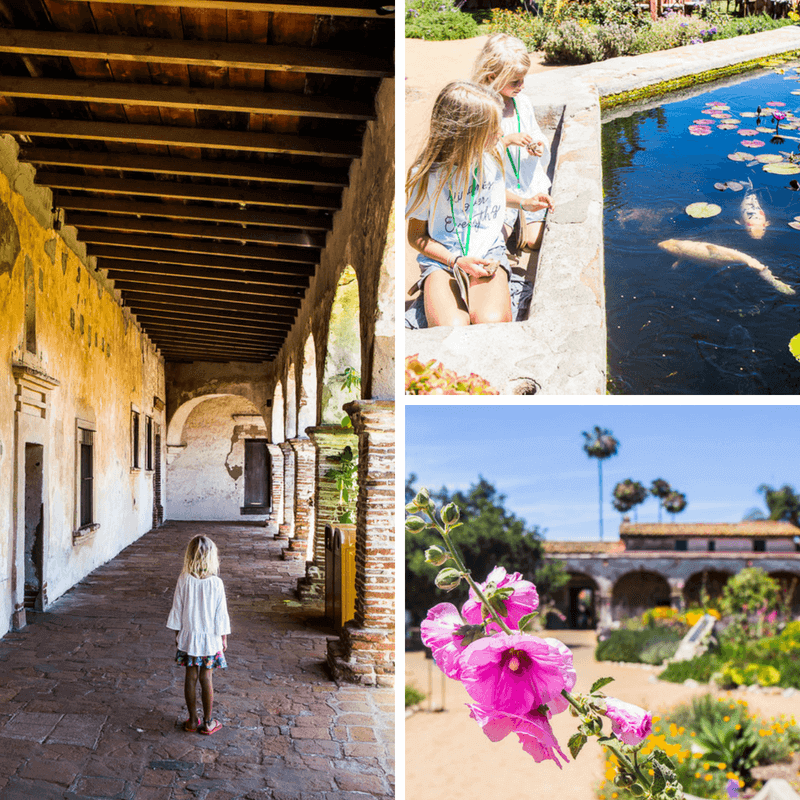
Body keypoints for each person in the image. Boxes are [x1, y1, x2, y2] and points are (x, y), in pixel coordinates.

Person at [406, 81, 546, 328]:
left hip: (488, 252)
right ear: (466, 133)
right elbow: (416, 236)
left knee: (491, 322)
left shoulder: (492, 154)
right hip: (445, 259)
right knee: (450, 328)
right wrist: (455, 261)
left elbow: (491, 193)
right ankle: (432, 295)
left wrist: (524, 203)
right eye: (493, 129)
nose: (501, 134)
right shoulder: (427, 175)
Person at [472, 33, 553, 253]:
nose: (522, 86)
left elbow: (536, 132)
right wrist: (506, 142)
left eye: (523, 79)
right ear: (491, 77)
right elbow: (476, 156)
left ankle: (524, 228)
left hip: (527, 183)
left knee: (535, 242)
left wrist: (538, 145)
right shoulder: (482, 110)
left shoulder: (522, 103)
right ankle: (512, 226)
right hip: (500, 189)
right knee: (492, 242)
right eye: (515, 82)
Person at [167, 535, 230, 735]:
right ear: (212, 558)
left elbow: (177, 610)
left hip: (189, 637)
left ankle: (193, 720)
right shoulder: (216, 583)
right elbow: (221, 615)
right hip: (210, 639)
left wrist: (179, 635)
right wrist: (223, 638)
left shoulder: (184, 579)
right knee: (207, 678)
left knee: (190, 676)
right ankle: (209, 721)